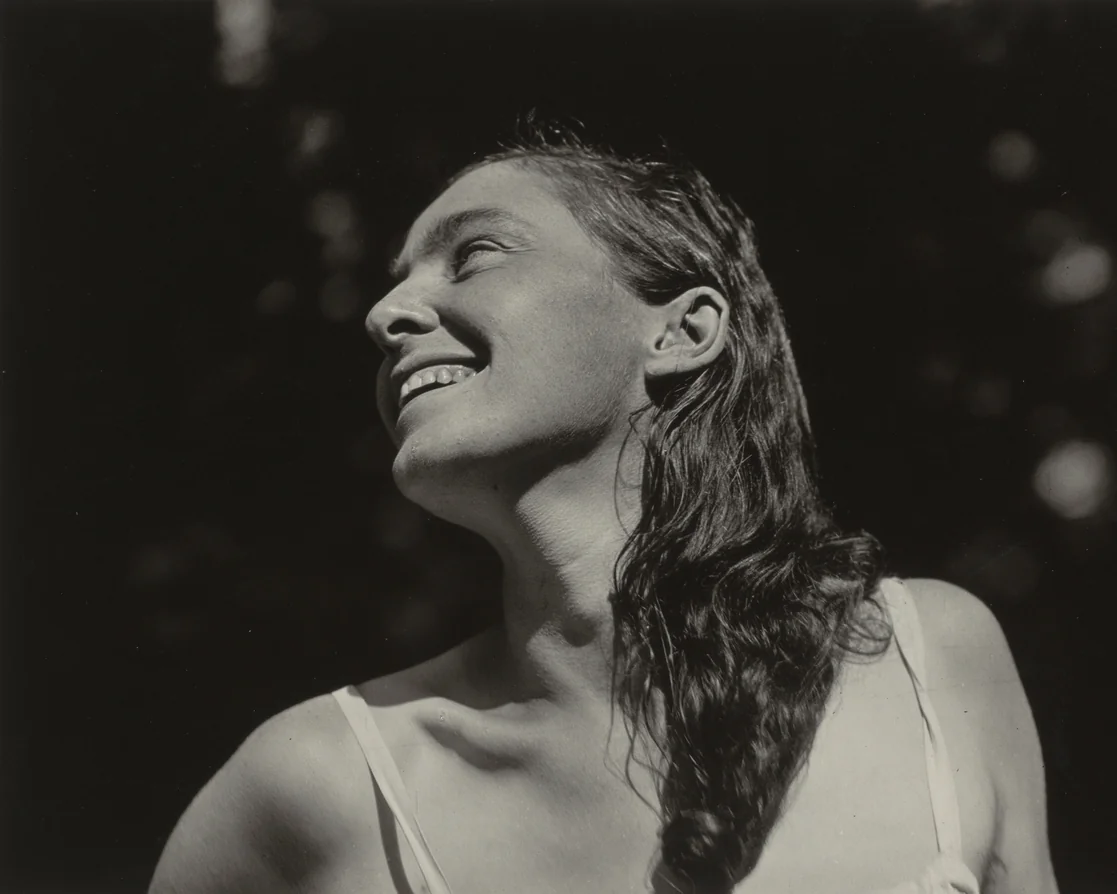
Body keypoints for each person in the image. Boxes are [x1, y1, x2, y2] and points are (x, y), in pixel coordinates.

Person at [149, 131, 1059, 894]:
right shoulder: (320, 782)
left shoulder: (927, 657)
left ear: (681, 330)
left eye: (475, 254)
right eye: (394, 284)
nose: (386, 312)